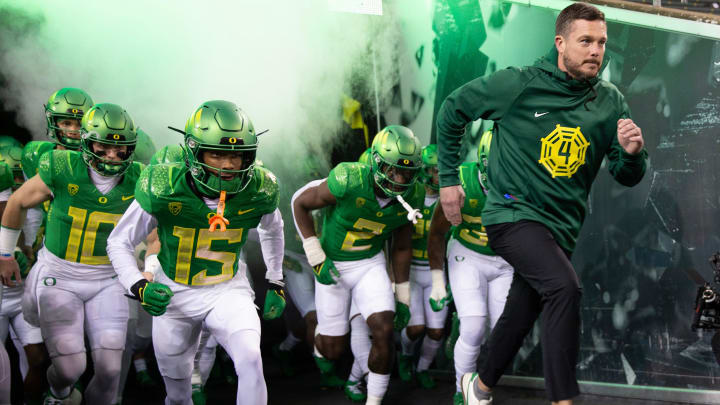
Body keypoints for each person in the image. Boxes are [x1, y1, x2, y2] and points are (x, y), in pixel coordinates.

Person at [435, 3, 647, 404]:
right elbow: (452, 110)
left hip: (561, 229)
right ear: (560, 42)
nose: (595, 51)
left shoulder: (611, 102)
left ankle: (477, 388)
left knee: (521, 311)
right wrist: (448, 181)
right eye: (585, 41)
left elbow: (625, 173)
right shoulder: (519, 84)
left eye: (601, 42)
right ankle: (563, 399)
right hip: (513, 215)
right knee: (565, 288)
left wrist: (632, 152)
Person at [107, 100, 286, 405]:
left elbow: (274, 228)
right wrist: (138, 285)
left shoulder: (260, 188)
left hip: (227, 289)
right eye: (217, 153)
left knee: (251, 359)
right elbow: (118, 242)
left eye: (237, 155)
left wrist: (277, 280)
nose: (229, 165)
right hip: (174, 292)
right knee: (178, 394)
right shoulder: (164, 187)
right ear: (193, 150)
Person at [0, 103, 142, 404]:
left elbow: (154, 232)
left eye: (120, 149)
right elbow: (16, 203)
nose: (112, 156)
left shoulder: (139, 178)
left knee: (109, 368)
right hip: (60, 273)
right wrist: (5, 254)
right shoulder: (61, 165)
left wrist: (149, 265)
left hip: (107, 276)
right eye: (103, 147)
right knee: (69, 366)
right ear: (87, 142)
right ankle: (60, 392)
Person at [292, 125, 423, 405]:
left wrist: (402, 297)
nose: (400, 179)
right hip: (333, 265)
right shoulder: (349, 178)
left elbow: (400, 247)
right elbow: (299, 203)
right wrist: (316, 257)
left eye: (408, 172)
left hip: (369, 264)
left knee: (385, 330)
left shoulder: (413, 195)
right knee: (332, 350)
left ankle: (373, 401)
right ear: (376, 163)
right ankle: (320, 341)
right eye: (394, 170)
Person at [427, 132, 513, 405]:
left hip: (504, 261)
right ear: (483, 163)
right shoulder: (461, 180)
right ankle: (463, 390)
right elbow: (436, 233)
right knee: (474, 326)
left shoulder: (524, 180)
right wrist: (438, 281)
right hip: (468, 254)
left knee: (503, 333)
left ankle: (475, 373)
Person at [397, 144, 448, 390]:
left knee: (436, 332)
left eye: (441, 170)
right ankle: (405, 356)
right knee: (415, 328)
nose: (438, 175)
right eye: (433, 170)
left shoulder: (450, 199)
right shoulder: (409, 197)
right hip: (412, 272)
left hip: (436, 272)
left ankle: (423, 368)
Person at [0, 145, 48, 405]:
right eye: (13, 178)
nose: (19, 184)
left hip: (23, 292)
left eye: (23, 177)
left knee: (37, 358)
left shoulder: (42, 206)